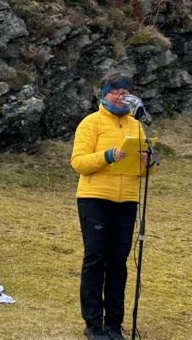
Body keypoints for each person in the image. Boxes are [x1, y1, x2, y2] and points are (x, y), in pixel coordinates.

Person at [70, 71, 150, 340]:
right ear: (103, 94)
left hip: (127, 200)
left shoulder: (136, 126)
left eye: (124, 92)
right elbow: (78, 162)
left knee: (119, 261)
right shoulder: (90, 123)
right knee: (95, 259)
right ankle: (93, 324)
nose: (120, 96)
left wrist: (147, 162)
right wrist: (108, 156)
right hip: (95, 198)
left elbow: (144, 171)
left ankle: (114, 324)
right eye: (114, 91)